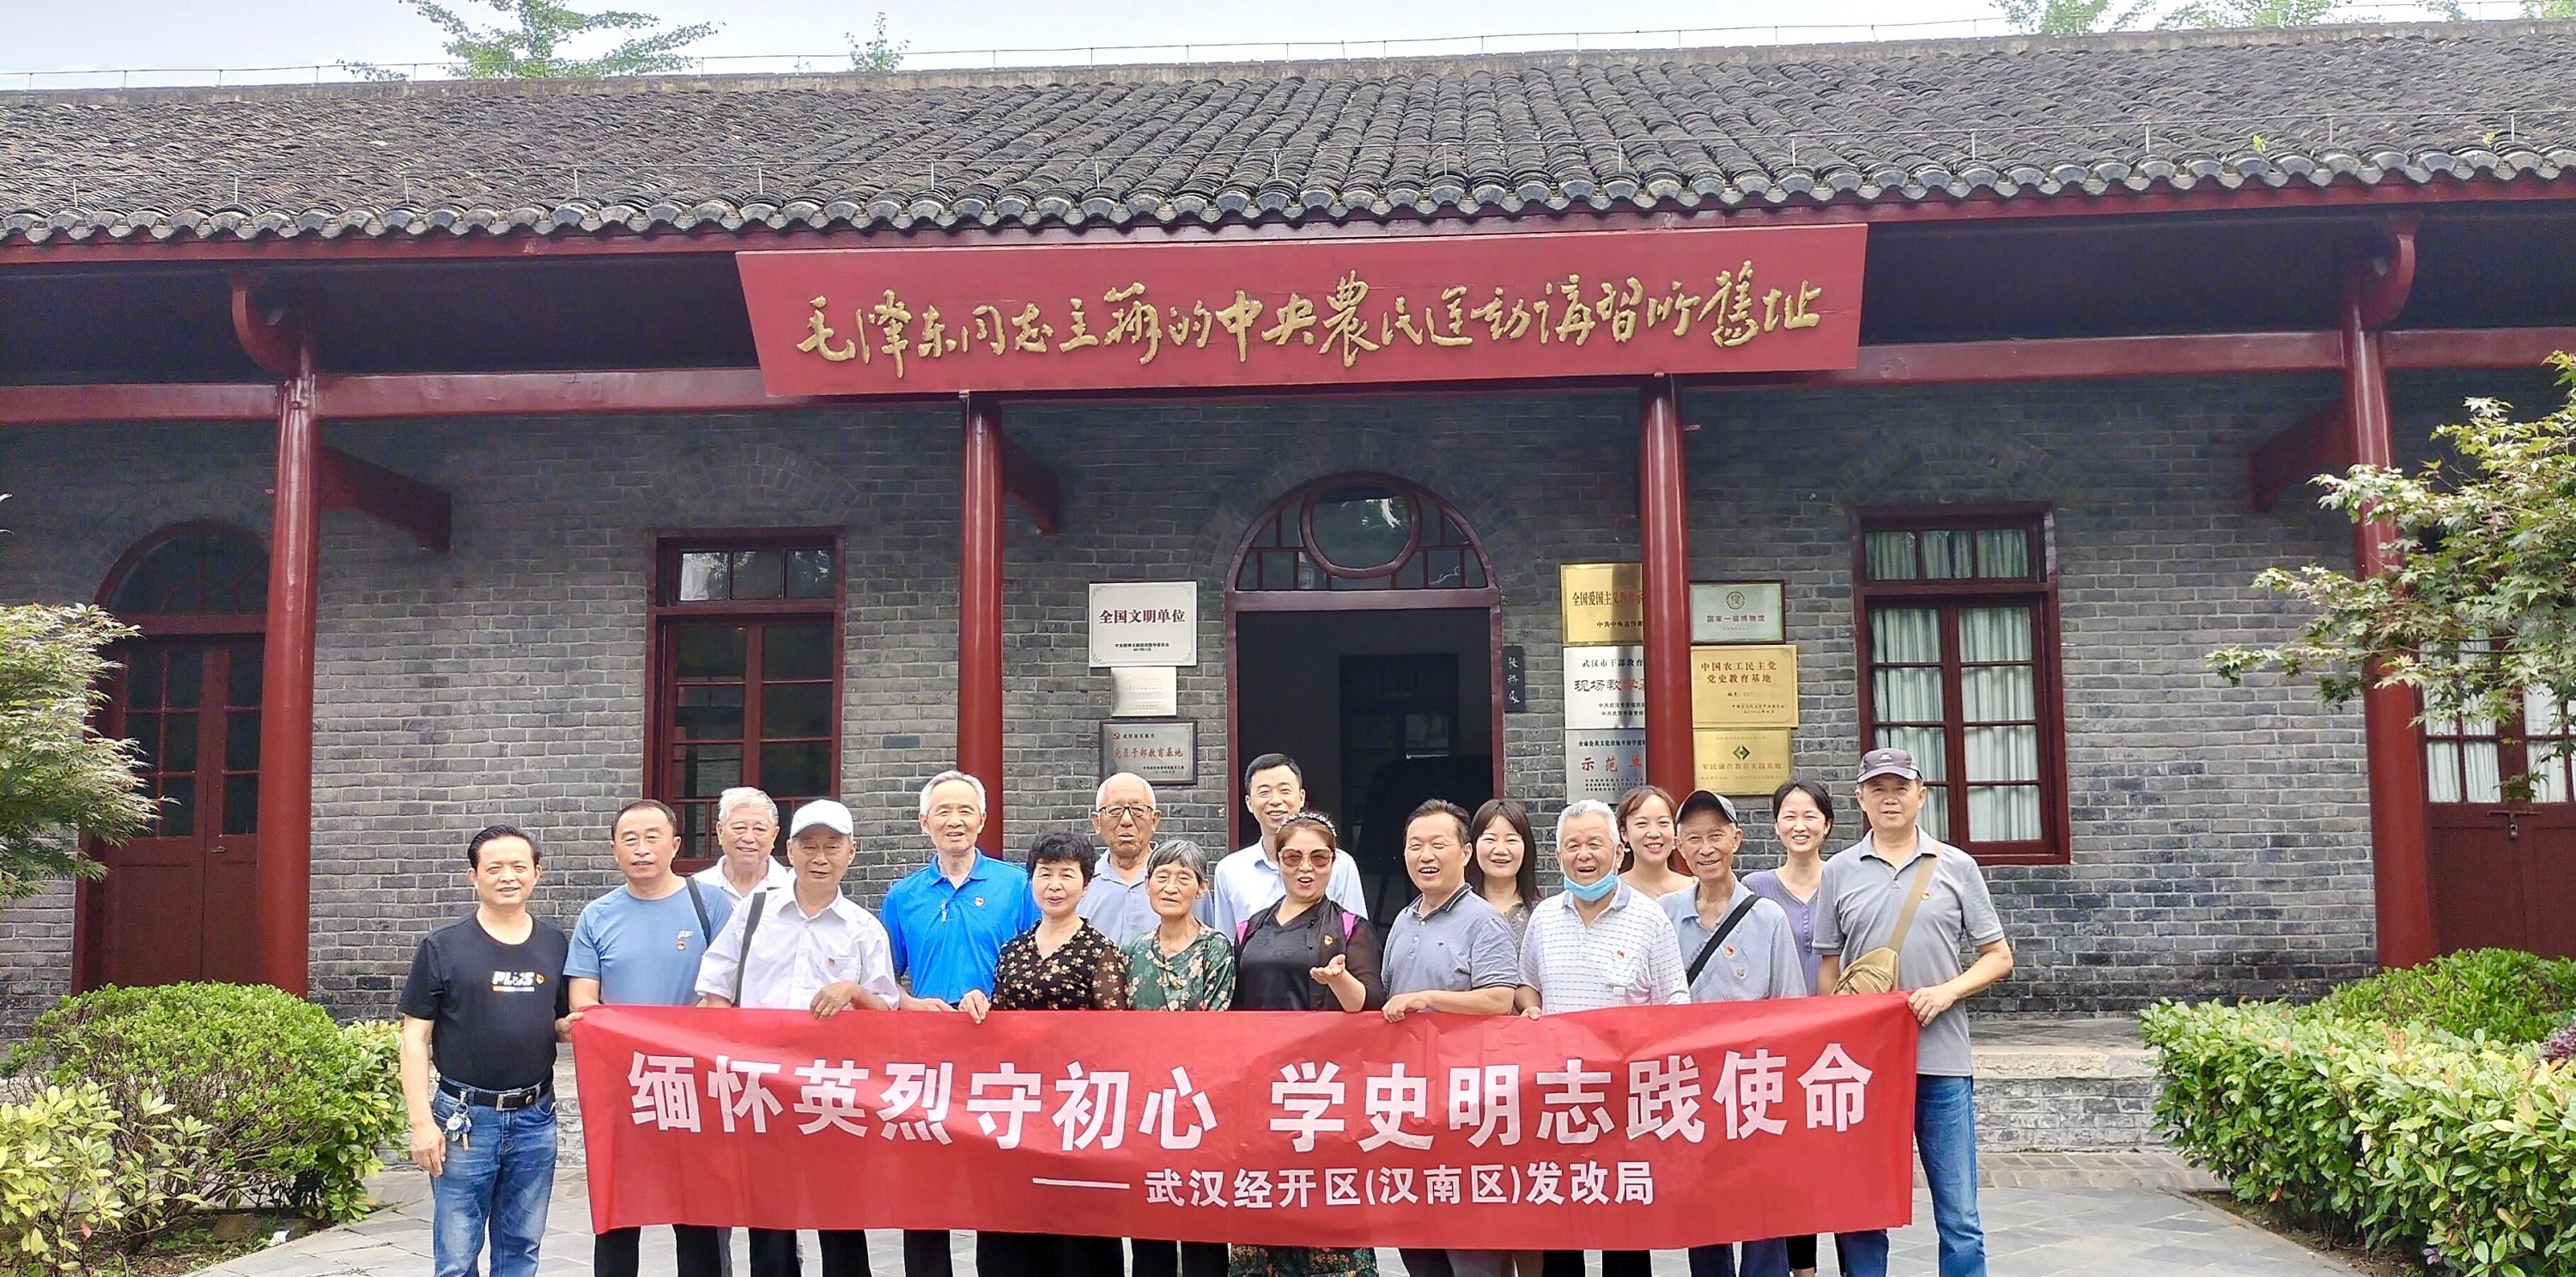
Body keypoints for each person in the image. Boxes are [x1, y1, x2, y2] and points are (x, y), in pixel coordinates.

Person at [1815, 748, 2015, 1277]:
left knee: (1959, 1211)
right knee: (1862, 1208)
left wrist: (1948, 991)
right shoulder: (1838, 871)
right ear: (1860, 799)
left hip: (1940, 1060)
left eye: (1900, 788)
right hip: (1863, 1068)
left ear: (1921, 796)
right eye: (1877, 789)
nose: (1890, 799)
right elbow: (1829, 967)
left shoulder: (1957, 866)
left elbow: (1998, 957)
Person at [693, 800, 902, 1277]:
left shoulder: (864, 929)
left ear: (852, 852)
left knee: (841, 1214)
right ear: (789, 851)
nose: (820, 858)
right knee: (770, 1217)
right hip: (761, 1087)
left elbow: (887, 1014)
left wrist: (854, 991)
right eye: (809, 846)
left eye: (832, 846)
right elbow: (715, 989)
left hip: (835, 1091)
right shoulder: (755, 911)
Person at [879, 770, 1039, 1277]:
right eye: (943, 811)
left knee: (999, 1179)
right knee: (926, 1186)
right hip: (926, 1057)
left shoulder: (1015, 886)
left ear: (983, 820)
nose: (955, 821)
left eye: (965, 810)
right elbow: (882, 979)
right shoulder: (903, 896)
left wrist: (997, 1001)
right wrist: (909, 1004)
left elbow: (1037, 961)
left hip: (999, 1054)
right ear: (923, 822)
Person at [1519, 800, 1686, 1277]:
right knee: (1562, 1227)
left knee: (1624, 1230)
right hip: (1559, 1099)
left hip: (1624, 1101)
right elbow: (1526, 983)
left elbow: (1676, 1003)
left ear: (1618, 851)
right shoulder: (1544, 918)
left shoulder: (1650, 919)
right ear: (1558, 857)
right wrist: (1529, 1008)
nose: (1584, 855)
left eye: (1595, 843)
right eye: (1572, 846)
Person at [398, 824, 570, 1277]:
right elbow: (414, 1039)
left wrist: (578, 1027)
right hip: (464, 1120)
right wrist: (421, 1123)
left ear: (537, 873)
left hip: (536, 1118)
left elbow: (556, 1021)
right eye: (494, 868)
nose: (507, 876)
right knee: (457, 1255)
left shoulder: (554, 943)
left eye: (518, 866)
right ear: (473, 877)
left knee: (522, 1246)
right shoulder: (442, 946)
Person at [568, 800, 730, 1277]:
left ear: (675, 845)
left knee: (697, 1213)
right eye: (630, 840)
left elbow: (727, 993)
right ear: (614, 850)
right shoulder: (597, 916)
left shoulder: (711, 905)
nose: (641, 849)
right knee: (619, 1213)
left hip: (693, 1084)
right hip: (622, 1088)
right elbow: (584, 1002)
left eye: (652, 837)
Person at [960, 830, 1131, 1276]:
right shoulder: (1013, 950)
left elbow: (1115, 1037)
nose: (1055, 885)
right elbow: (1000, 1024)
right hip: (1018, 1109)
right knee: (1014, 1228)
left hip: (1077, 1110)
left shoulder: (1101, 952)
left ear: (1086, 884)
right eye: (1045, 873)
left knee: (1076, 1237)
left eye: (1067, 875)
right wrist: (978, 1004)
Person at [1658, 791, 1808, 1277]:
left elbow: (1790, 1008)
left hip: (1752, 1083)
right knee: (1702, 1205)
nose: (1706, 849)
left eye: (1716, 836)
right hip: (1690, 1085)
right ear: (1678, 846)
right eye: (1694, 838)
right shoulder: (1663, 914)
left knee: (1762, 1202)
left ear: (1737, 839)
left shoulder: (1768, 918)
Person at [1230, 812, 1383, 1277]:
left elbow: (1369, 1004)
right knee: (1263, 1212)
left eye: (1319, 859)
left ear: (1333, 863)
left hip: (1321, 1091)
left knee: (1326, 1217)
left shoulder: (1351, 927)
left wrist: (1338, 980)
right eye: (1293, 857)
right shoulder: (1250, 928)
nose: (1306, 868)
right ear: (1278, 861)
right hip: (1259, 1089)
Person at [1380, 800, 1517, 1277]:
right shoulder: (1402, 920)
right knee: (1417, 1243)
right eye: (1415, 845)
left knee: (1470, 1246)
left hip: (1465, 1107)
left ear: (1465, 852)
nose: (1426, 855)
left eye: (1438, 844)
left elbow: (1500, 999)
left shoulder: (1484, 920)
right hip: (1408, 1105)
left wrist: (1429, 999)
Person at [1120, 841, 1234, 1277]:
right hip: (1146, 1106)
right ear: (1147, 884)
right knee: (1150, 1222)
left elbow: (1216, 1026)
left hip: (1199, 1103)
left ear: (1201, 889)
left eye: (1184, 878)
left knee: (1202, 1222)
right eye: (1162, 877)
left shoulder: (1216, 948)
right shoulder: (1132, 951)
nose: (1171, 887)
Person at [1209, 754, 1367, 938]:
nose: (1275, 800)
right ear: (1249, 803)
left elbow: (1356, 935)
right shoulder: (1229, 870)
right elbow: (1227, 942)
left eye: (1284, 790)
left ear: (1301, 798)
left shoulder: (1338, 864)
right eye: (1264, 792)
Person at [1080, 772, 1202, 946]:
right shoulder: (1080, 884)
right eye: (1114, 811)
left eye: (1138, 810)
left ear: (1154, 820)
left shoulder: (1186, 881)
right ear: (1097, 822)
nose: (1126, 821)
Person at [1744, 781, 1835, 999]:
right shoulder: (1754, 888)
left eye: (1810, 816)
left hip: (1836, 1011)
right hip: (1777, 1013)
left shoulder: (1843, 883)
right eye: (1790, 817)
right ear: (1776, 825)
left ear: (1826, 825)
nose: (1800, 826)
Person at [692, 787, 793, 907]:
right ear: (720, 831)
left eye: (759, 829)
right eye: (739, 828)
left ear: (774, 835)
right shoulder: (696, 888)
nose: (748, 838)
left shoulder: (794, 886)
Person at [1466, 798, 1540, 945]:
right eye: (1490, 839)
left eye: (1511, 840)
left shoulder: (1542, 915)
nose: (1500, 850)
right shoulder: (1457, 913)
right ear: (1471, 847)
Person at [1614, 784, 1691, 899]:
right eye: (1642, 824)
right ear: (1624, 833)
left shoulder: (1697, 889)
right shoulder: (1613, 893)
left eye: (1663, 822)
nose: (1654, 833)